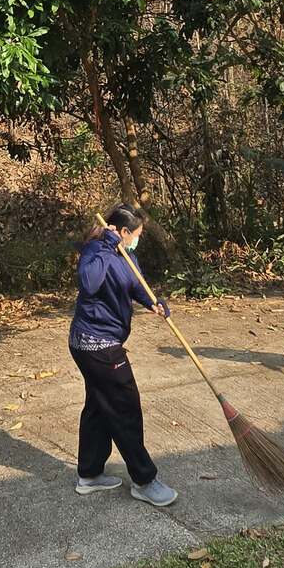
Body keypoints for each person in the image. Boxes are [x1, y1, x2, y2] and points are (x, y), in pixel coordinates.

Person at [68, 205, 178, 507]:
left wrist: (153, 302)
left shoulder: (127, 254)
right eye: (136, 234)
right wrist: (107, 245)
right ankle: (144, 480)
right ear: (124, 232)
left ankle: (89, 475)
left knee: (99, 406)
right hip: (95, 345)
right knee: (125, 407)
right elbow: (88, 283)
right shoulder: (96, 250)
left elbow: (135, 284)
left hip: (103, 343)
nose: (138, 240)